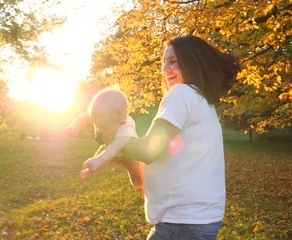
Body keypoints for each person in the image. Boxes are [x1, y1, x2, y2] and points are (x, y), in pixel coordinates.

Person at [89, 35, 240, 239]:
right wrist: (124, 155)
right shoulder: (201, 99)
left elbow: (148, 151)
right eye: (164, 62)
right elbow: (156, 163)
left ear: (192, 62)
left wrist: (110, 133)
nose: (165, 69)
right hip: (195, 219)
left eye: (173, 62)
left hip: (184, 221)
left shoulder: (182, 94)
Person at [64, 88, 144, 188]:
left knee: (136, 181)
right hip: (107, 148)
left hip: (128, 156)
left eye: (105, 126)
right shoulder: (100, 115)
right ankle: (90, 169)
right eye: (97, 125)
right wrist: (74, 126)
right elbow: (84, 117)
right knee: (98, 157)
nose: (100, 129)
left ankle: (143, 185)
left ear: (122, 120)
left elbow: (115, 147)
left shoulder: (126, 126)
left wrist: (98, 160)